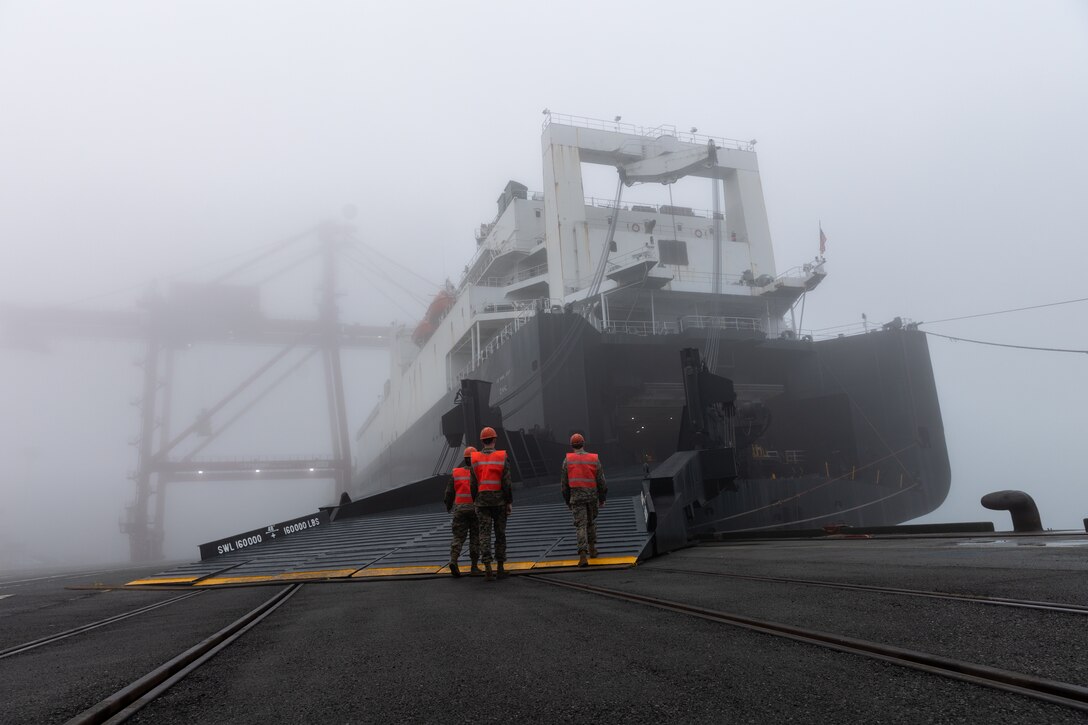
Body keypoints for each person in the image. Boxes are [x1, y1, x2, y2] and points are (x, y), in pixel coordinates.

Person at [470, 426, 513, 581]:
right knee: (500, 534)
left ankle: (487, 568)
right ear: (494, 439)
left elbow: (473, 484)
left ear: (482, 441)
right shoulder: (502, 456)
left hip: (482, 503)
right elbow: (507, 482)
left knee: (484, 534)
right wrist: (509, 502)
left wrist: (475, 500)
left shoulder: (474, 458)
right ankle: (500, 568)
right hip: (499, 501)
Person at [561, 433, 607, 567]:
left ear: (571, 446)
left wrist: (567, 500)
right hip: (592, 496)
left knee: (580, 525)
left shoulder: (567, 461)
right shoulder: (594, 459)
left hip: (576, 498)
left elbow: (564, 485)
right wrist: (602, 498)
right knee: (591, 522)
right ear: (583, 443)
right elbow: (601, 481)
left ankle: (582, 555)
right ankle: (593, 550)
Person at [444, 446, 481, 578]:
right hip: (475, 509)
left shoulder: (456, 473)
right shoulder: (479, 473)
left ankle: (454, 560)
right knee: (475, 538)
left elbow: (449, 492)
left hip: (460, 509)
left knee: (458, 537)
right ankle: (474, 567)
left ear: (464, 459)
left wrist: (449, 506)